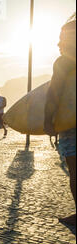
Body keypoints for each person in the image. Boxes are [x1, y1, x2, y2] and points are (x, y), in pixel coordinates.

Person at [44, 20, 76, 227]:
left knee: (75, 171)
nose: (59, 43)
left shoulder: (64, 62)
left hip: (71, 126)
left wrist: (48, 120)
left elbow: (54, 92)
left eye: (62, 37)